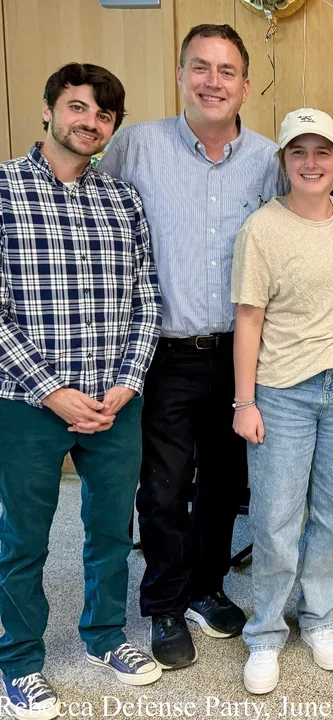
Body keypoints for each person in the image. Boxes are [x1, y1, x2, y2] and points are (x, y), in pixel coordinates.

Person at [98, 23, 281, 670]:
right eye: (200, 67)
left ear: (245, 85)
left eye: (226, 71)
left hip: (238, 351)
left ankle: (205, 587)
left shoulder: (267, 158)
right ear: (180, 75)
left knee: (226, 485)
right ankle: (166, 604)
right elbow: (93, 208)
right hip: (165, 351)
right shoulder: (136, 146)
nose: (212, 81)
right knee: (166, 487)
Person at [0, 63, 163, 719]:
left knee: (109, 532)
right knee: (24, 540)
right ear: (48, 111)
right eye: (77, 107)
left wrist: (128, 380)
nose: (89, 122)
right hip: (26, 405)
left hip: (116, 403)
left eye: (103, 115)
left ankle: (104, 638)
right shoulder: (5, 190)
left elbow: (147, 300)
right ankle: (18, 661)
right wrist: (52, 391)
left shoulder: (122, 200)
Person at [230, 109, 333, 694]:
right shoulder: (262, 228)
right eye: (298, 153)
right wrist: (244, 401)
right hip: (283, 390)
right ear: (284, 162)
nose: (311, 164)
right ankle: (264, 633)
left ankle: (318, 617)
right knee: (276, 517)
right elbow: (248, 318)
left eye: (322, 152)